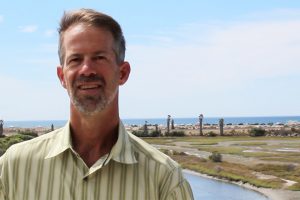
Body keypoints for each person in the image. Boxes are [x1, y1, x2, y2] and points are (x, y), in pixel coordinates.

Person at [0, 8, 194, 200]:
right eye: (75, 59)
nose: (87, 70)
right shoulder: (13, 168)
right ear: (62, 77)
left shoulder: (164, 179)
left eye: (99, 58)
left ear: (123, 73)